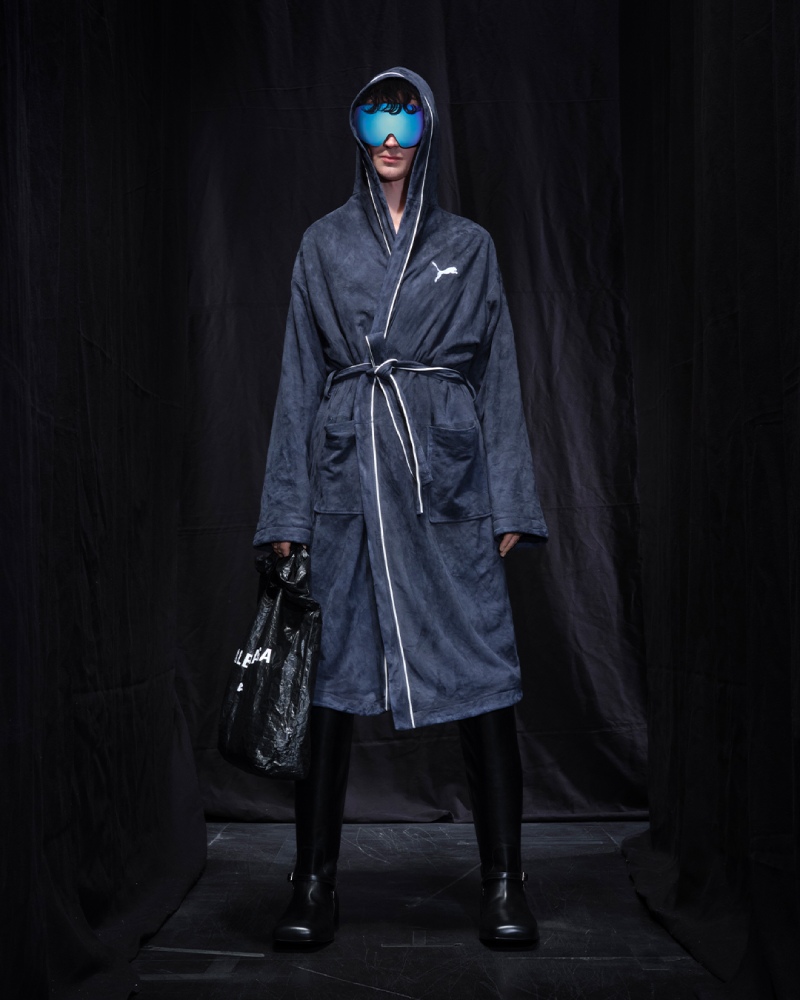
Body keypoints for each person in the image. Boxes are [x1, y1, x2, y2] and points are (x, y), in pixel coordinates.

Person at [254, 67, 548, 946]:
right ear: (356, 129)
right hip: (347, 483)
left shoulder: (470, 245)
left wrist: (510, 498)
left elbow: (498, 373)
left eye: (406, 121)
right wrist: (286, 513)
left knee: (483, 675)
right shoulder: (321, 244)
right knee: (329, 683)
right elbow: (298, 380)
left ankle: (505, 883)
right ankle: (313, 885)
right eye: (376, 119)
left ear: (427, 132)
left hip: (443, 483)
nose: (390, 138)